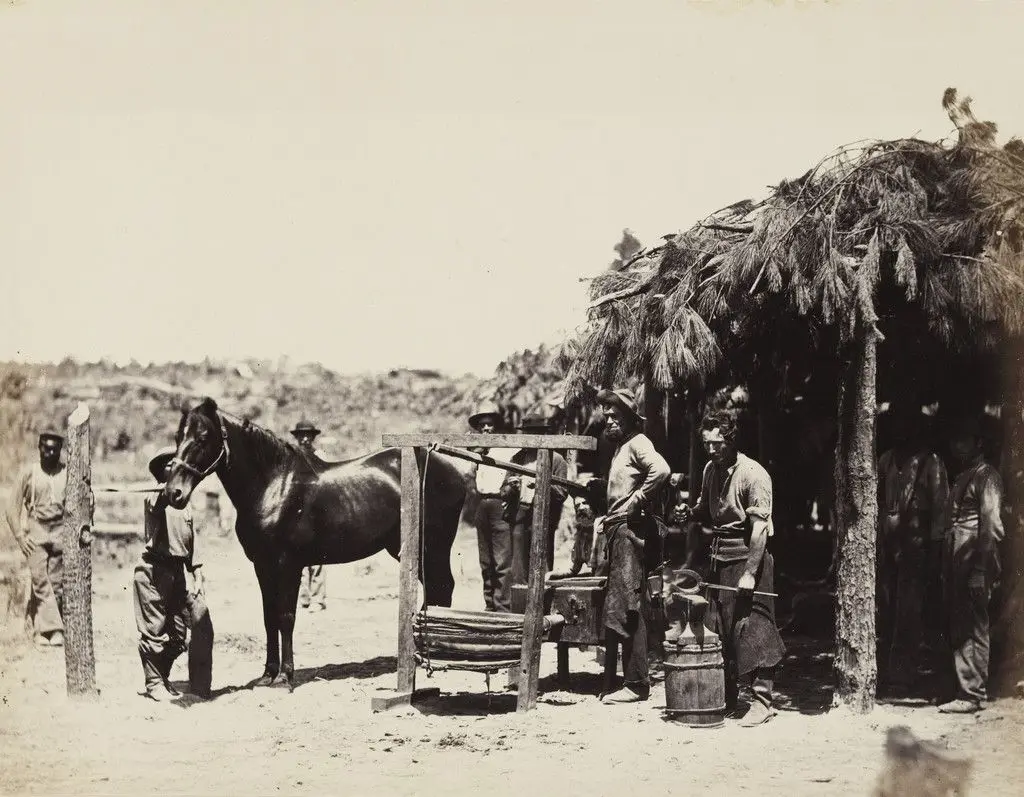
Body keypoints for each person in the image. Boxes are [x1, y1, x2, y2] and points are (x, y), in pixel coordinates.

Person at [673, 409, 786, 726]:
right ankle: (730, 697)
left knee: (753, 627)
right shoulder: (711, 469)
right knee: (721, 628)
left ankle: (763, 701)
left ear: (732, 440)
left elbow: (760, 529)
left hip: (749, 554)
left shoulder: (754, 474)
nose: (711, 449)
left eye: (718, 443)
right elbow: (705, 511)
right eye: (707, 443)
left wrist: (751, 572)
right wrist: (689, 513)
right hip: (718, 556)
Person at [594, 387, 670, 704]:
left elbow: (661, 470)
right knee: (623, 602)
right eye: (606, 414)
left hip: (630, 531)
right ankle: (626, 678)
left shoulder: (638, 442)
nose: (609, 419)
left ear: (628, 417)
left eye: (615, 415)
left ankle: (637, 684)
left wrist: (637, 500)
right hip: (618, 528)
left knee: (629, 603)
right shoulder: (621, 447)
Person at [876, 406, 949, 693]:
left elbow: (941, 509)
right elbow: (879, 502)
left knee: (910, 609)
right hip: (889, 543)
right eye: (895, 424)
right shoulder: (886, 460)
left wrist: (935, 548)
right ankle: (888, 668)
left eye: (907, 424)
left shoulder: (931, 462)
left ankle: (904, 674)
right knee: (888, 606)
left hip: (917, 543)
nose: (900, 430)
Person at [134, 447, 213, 702]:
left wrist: (197, 573)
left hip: (177, 571)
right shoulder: (155, 496)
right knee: (154, 630)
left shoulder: (184, 505)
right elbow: (159, 504)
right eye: (169, 464)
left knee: (179, 635)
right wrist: (167, 489)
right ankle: (154, 682)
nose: (175, 467)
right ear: (161, 470)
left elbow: (192, 542)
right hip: (153, 571)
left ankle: (163, 676)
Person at [938, 415, 1005, 714]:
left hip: (973, 557)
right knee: (960, 621)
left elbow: (990, 527)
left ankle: (972, 693)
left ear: (980, 442)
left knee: (973, 625)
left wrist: (981, 569)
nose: (956, 445)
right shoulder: (965, 473)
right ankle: (966, 687)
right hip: (956, 554)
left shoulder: (987, 476)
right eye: (954, 439)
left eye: (964, 439)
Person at [5, 431, 67, 647]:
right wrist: (20, 536)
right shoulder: (29, 473)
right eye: (45, 448)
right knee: (40, 580)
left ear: (60, 451)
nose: (49, 453)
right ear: (39, 448)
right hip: (36, 531)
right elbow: (12, 507)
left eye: (54, 450)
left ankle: (39, 631)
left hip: (60, 532)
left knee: (56, 583)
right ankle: (56, 630)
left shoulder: (67, 473)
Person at [500, 415, 569, 584]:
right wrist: (512, 487)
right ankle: (519, 606)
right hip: (519, 515)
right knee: (518, 565)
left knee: (542, 563)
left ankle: (542, 604)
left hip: (545, 516)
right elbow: (503, 491)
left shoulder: (556, 459)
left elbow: (562, 493)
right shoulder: (517, 458)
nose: (528, 438)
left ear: (542, 435)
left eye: (533, 434)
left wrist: (541, 484)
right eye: (526, 434)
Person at [469, 401, 518, 612]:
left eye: (489, 425)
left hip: (500, 503)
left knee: (501, 560)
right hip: (482, 505)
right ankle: (489, 605)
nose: (486, 429)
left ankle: (502, 608)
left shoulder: (507, 448)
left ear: (496, 425)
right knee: (485, 560)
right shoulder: (477, 452)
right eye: (482, 426)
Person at [291, 420, 327, 612]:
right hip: (297, 511)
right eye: (301, 435)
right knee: (298, 557)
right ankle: (303, 597)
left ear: (313, 437)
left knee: (318, 556)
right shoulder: (291, 456)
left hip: (317, 509)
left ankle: (318, 598)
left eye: (308, 435)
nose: (305, 439)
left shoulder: (320, 456)